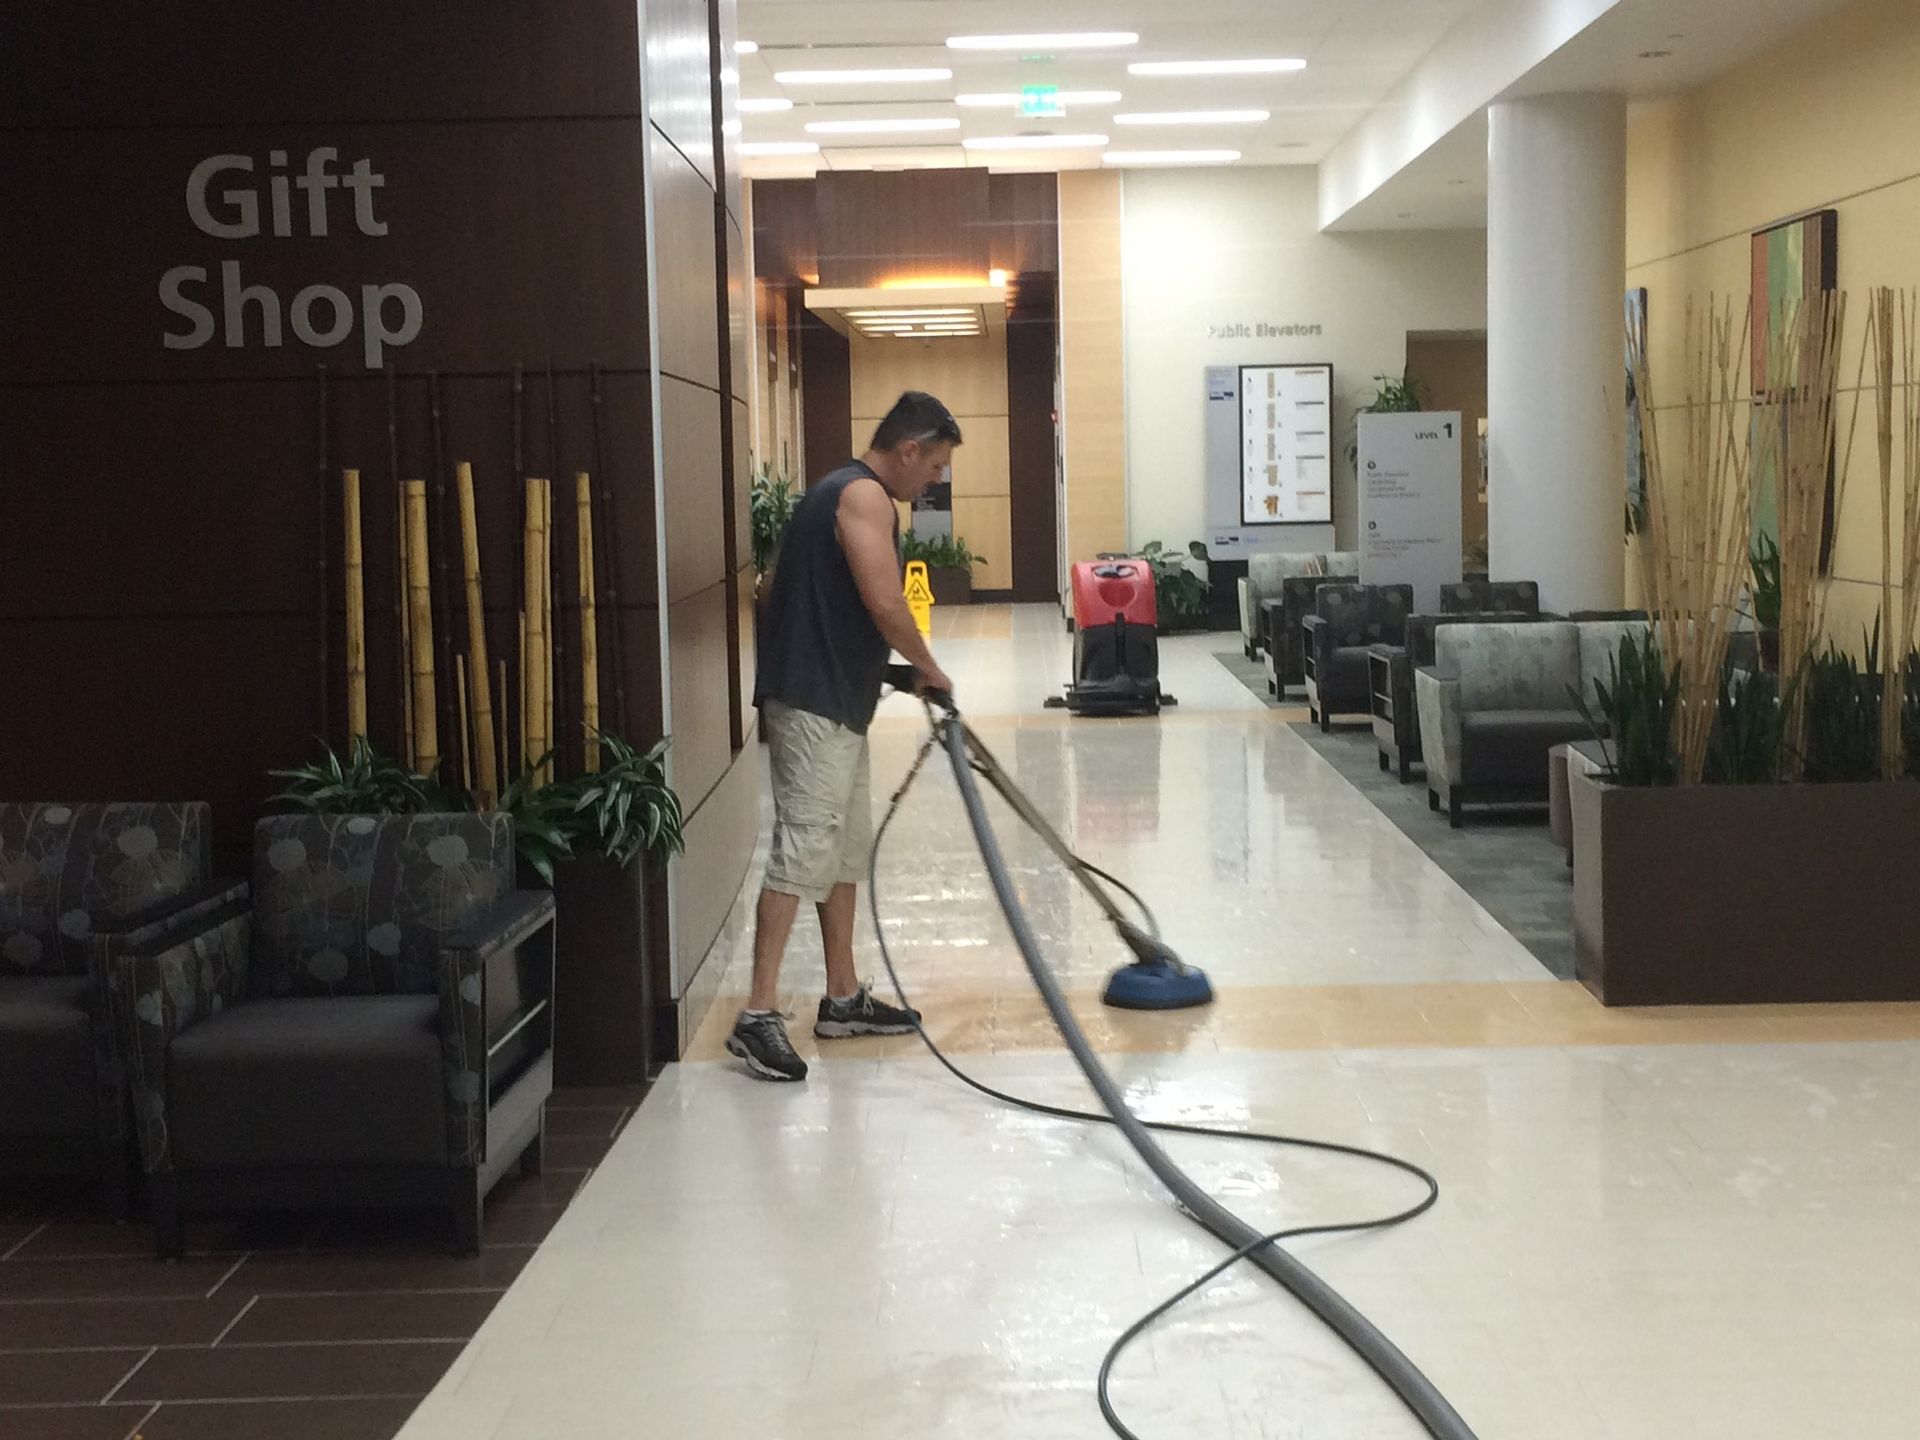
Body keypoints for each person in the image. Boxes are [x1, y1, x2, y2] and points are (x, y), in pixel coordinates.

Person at [729, 391, 962, 1082]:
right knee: (802, 850)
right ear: (909, 449)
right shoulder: (864, 498)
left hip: (830, 698)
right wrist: (927, 666)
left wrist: (883, 670)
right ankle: (757, 1015)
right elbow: (885, 599)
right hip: (815, 705)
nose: (935, 482)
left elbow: (787, 597)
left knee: (840, 852)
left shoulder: (833, 491)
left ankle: (842, 996)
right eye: (936, 465)